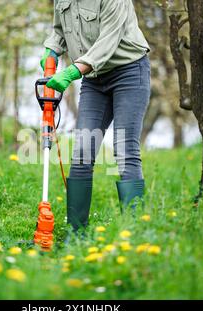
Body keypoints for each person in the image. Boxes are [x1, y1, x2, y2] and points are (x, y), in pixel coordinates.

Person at [40, 0, 151, 232]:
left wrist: (72, 71)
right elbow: (59, 31)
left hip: (128, 71)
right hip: (93, 80)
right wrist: (51, 52)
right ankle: (76, 234)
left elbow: (108, 41)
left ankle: (135, 234)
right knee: (82, 152)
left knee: (125, 149)